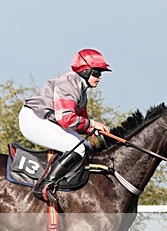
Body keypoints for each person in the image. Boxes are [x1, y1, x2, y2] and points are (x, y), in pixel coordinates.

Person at [19, 48, 111, 198]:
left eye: (100, 73)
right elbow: (67, 119)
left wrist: (94, 130)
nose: (99, 77)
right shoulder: (68, 84)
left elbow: (82, 122)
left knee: (87, 146)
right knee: (78, 148)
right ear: (86, 71)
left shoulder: (81, 91)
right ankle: (44, 187)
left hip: (47, 120)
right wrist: (93, 124)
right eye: (97, 72)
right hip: (34, 120)